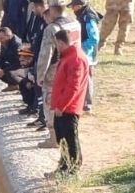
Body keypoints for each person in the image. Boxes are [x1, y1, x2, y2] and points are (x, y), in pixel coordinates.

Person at [36, 1, 82, 148]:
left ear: (52, 11)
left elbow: (46, 54)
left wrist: (40, 75)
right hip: (73, 65)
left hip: (55, 69)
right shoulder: (75, 23)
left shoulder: (52, 28)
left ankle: (53, 137)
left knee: (51, 102)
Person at [49, 29, 90, 176]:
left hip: (68, 107)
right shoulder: (69, 56)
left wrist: (62, 105)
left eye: (57, 44)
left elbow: (73, 86)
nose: (56, 47)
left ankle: (73, 169)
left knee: (70, 139)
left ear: (61, 42)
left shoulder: (75, 59)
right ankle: (64, 166)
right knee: (62, 138)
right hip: (62, 106)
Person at [70, 0, 100, 111]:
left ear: (79, 6)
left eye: (73, 7)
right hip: (85, 51)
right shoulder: (82, 15)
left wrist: (82, 48)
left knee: (87, 77)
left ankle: (87, 103)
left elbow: (94, 38)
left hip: (88, 53)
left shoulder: (88, 17)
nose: (72, 10)